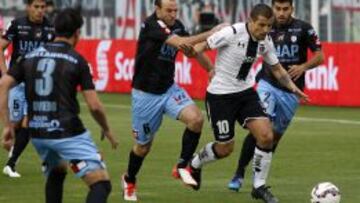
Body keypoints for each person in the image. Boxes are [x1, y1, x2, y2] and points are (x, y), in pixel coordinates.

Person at [181, 3, 308, 203]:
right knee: (225, 149)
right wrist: (192, 51)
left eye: (269, 26)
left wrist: (293, 88)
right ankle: (195, 164)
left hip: (246, 93)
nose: (265, 30)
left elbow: (277, 69)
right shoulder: (231, 32)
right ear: (251, 21)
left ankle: (259, 186)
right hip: (220, 96)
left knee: (266, 136)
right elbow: (202, 46)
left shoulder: (265, 40)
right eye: (262, 25)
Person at [0, 8, 118, 203]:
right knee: (101, 184)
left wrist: (6, 125)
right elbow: (94, 105)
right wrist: (106, 128)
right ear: (77, 33)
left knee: (57, 172)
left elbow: (4, 84)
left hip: (38, 132)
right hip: (67, 130)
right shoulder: (77, 60)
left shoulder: (29, 58)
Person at [121, 0, 221, 201]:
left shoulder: (177, 25)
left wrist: (210, 68)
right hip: (145, 95)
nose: (173, 14)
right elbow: (182, 43)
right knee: (143, 147)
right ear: (157, 9)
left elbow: (191, 51)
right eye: (169, 10)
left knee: (196, 119)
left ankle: (182, 165)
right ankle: (129, 179)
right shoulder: (151, 26)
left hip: (168, 89)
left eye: (176, 10)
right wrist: (212, 32)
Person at [228, 0, 324, 193]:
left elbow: (320, 56)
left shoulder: (304, 28)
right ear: (273, 8)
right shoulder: (265, 28)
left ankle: (258, 178)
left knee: (273, 138)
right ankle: (239, 173)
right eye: (277, 9)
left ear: (292, 9)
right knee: (262, 131)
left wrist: (304, 67)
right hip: (267, 84)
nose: (281, 13)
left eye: (285, 9)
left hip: (291, 92)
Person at [0, 0, 55, 178]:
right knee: (16, 123)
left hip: (37, 83)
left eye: (42, 7)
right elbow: (0, 47)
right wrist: (5, 74)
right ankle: (11, 143)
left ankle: (11, 163)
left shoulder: (50, 28)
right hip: (17, 82)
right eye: (36, 7)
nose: (40, 11)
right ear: (29, 7)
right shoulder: (17, 25)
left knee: (29, 122)